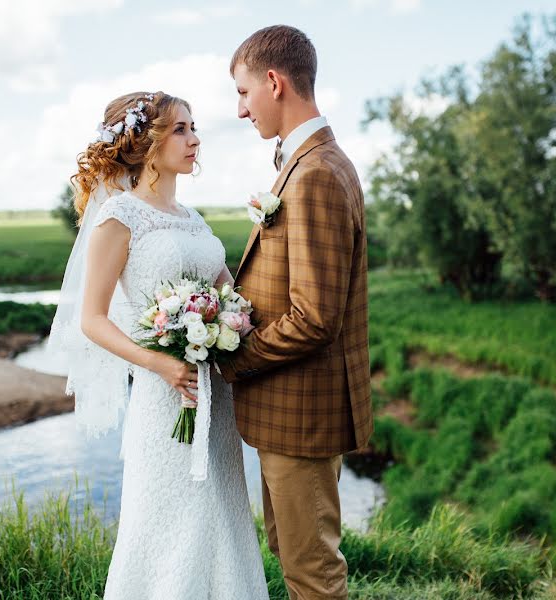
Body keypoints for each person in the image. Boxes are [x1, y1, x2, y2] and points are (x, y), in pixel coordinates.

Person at [48, 91, 269, 599]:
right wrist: (158, 364)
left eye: (193, 129)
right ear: (147, 142)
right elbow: (93, 319)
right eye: (181, 130)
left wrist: (230, 321)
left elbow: (229, 295)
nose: (195, 140)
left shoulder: (192, 218)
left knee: (221, 513)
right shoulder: (120, 217)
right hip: (162, 396)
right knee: (167, 525)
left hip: (215, 397)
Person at [219, 25, 373, 600]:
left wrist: (233, 357)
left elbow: (314, 316)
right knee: (292, 553)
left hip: (303, 413)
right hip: (290, 411)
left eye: (242, 92)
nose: (240, 110)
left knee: (312, 571)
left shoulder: (314, 177)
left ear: (274, 82)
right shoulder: (305, 163)